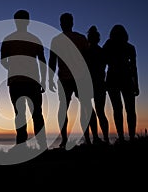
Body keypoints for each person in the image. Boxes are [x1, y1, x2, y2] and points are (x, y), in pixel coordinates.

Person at [48, 13, 97, 148]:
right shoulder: (80, 38)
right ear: (72, 23)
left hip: (66, 78)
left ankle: (66, 139)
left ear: (62, 23)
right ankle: (91, 138)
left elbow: (52, 61)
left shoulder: (56, 40)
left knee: (65, 109)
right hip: (78, 78)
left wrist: (50, 78)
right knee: (86, 107)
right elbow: (88, 59)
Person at [0, 9, 47, 150]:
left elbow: (3, 61)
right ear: (28, 21)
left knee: (20, 114)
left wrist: (12, 68)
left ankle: (21, 145)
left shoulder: (8, 39)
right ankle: (42, 145)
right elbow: (42, 62)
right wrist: (43, 80)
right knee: (36, 113)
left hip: (16, 82)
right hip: (32, 82)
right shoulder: (35, 39)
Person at [102, 24, 139, 143]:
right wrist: (136, 84)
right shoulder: (129, 47)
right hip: (124, 79)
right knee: (129, 110)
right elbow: (134, 68)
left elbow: (103, 64)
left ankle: (123, 137)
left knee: (119, 109)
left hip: (114, 79)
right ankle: (130, 137)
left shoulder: (109, 45)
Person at [86, 25, 110, 144]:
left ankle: (95, 137)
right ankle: (105, 138)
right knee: (101, 112)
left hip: (89, 84)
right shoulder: (102, 52)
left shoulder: (86, 52)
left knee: (90, 112)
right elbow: (105, 66)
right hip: (100, 83)